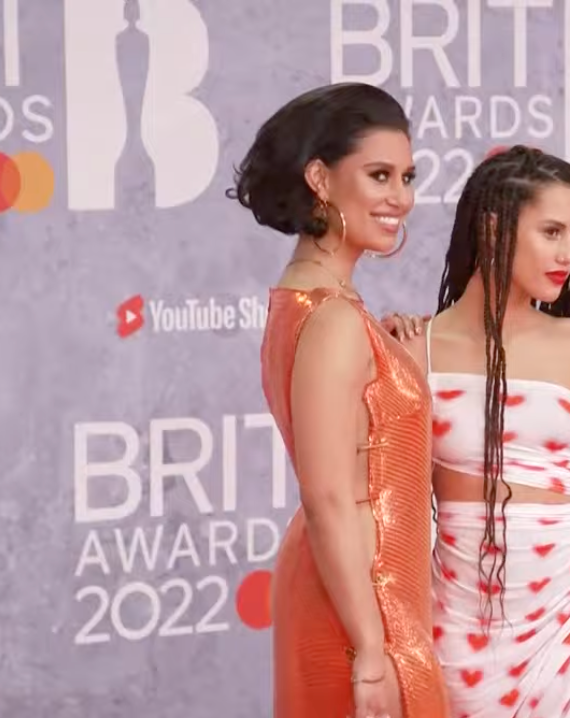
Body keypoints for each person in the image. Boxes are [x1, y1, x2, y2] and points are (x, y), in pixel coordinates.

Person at [393, 145, 570, 717]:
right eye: (552, 231)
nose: (568, 253)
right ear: (494, 227)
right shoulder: (416, 348)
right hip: (463, 621)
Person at [228, 82, 449, 718]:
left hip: (366, 583)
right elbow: (327, 498)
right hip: (359, 596)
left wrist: (394, 360)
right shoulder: (331, 319)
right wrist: (373, 650)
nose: (400, 198)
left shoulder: (325, 307)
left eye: (407, 176)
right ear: (320, 179)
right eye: (379, 175)